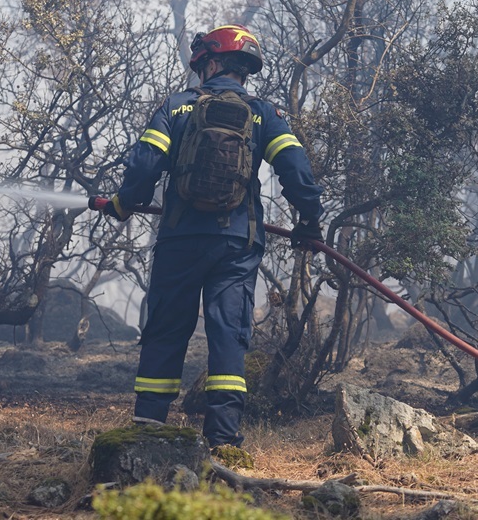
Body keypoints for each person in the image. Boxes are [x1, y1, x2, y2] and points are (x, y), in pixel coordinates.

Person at [101, 24, 324, 449]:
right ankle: (223, 438)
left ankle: (148, 427)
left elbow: (145, 166)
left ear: (213, 62)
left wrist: (122, 203)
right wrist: (309, 221)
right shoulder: (266, 114)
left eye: (203, 65)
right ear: (245, 69)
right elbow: (296, 171)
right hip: (236, 245)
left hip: (179, 240)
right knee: (228, 333)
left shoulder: (177, 107)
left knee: (166, 328)